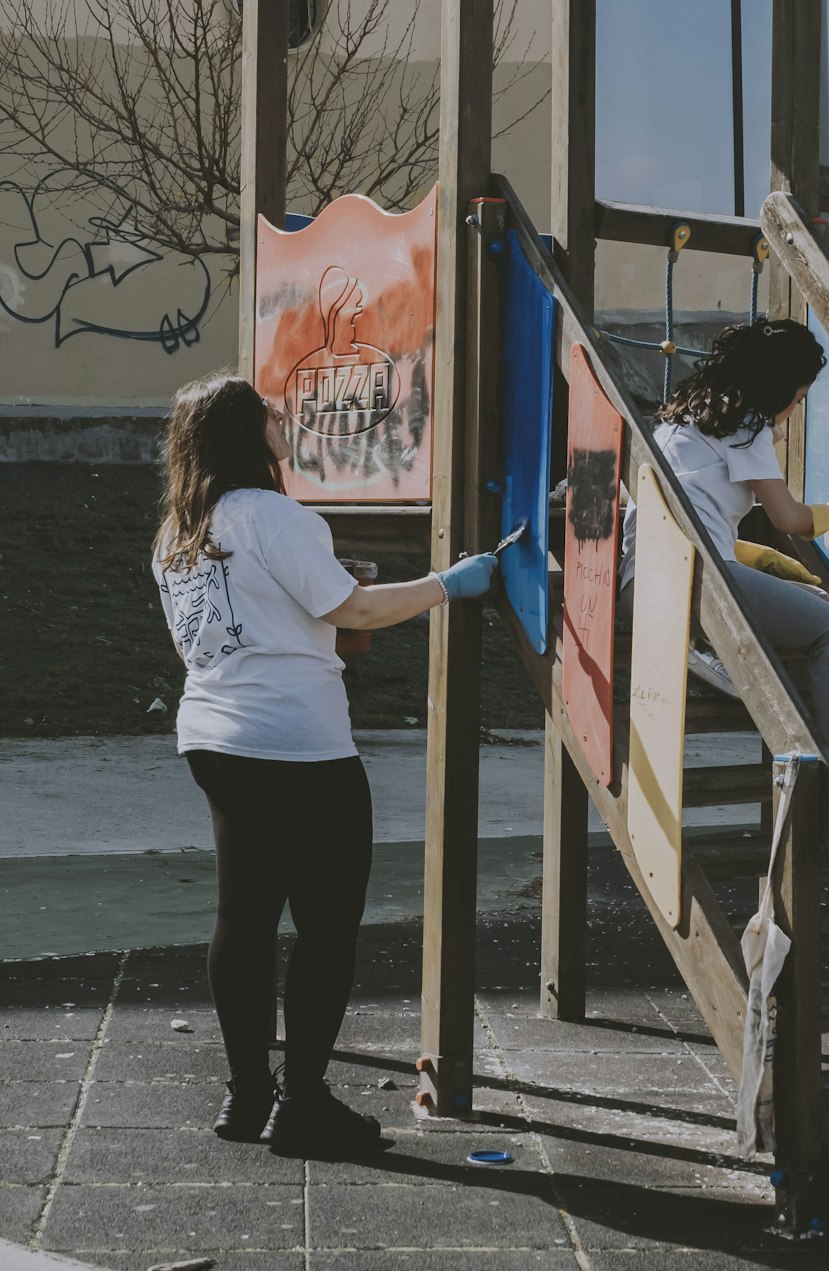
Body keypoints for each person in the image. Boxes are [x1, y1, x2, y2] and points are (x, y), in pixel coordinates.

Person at [152, 371, 497, 1155]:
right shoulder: (278, 517)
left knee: (242, 917)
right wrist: (449, 584)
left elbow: (209, 639)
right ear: (247, 433)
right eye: (270, 415)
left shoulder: (177, 532)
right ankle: (302, 1103)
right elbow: (356, 609)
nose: (283, 422)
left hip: (213, 737)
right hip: (300, 746)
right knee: (326, 924)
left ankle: (248, 1095)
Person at [619, 317, 829, 841]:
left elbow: (687, 518)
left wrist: (757, 560)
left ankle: (705, 649)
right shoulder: (748, 423)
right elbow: (788, 518)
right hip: (698, 588)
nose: (796, 408)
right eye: (800, 397)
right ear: (779, 387)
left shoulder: (677, 423)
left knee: (805, 602)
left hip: (642, 584)